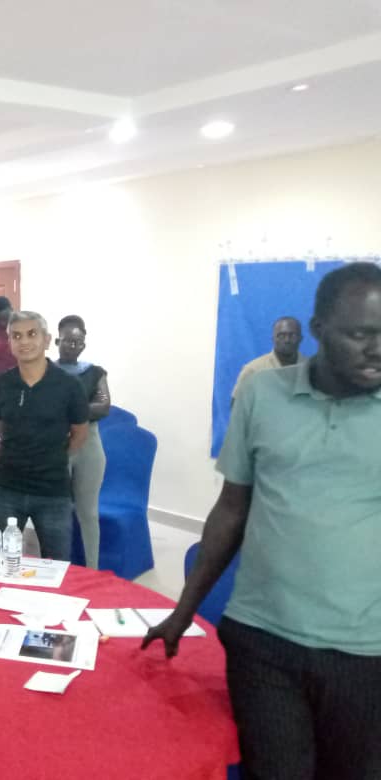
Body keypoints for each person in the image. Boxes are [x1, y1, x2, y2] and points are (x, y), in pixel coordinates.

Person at [143, 262, 381, 780]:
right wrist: (184, 609)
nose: (377, 349)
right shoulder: (262, 393)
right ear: (318, 330)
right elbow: (231, 509)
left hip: (365, 651)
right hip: (262, 639)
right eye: (361, 334)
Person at [0, 311, 89, 560]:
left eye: (32, 334)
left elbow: (79, 434)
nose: (24, 341)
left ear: (46, 340)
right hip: (6, 488)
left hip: (52, 490)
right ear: (10, 343)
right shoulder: (1, 384)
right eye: (16, 336)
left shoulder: (70, 386)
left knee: (58, 566)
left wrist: (51, 456)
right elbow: (1, 428)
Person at [55, 314, 111, 569]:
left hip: (89, 445)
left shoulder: (94, 372)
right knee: (58, 511)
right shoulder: (46, 371)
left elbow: (103, 406)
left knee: (88, 512)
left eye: (78, 342)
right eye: (67, 341)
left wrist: (70, 410)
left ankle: (92, 569)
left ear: (84, 345)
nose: (72, 346)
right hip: (56, 446)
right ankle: (58, 569)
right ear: (57, 341)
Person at [231, 316, 306, 403]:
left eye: (292, 335)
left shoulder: (312, 369)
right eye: (281, 336)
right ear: (273, 339)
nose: (287, 340)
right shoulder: (253, 370)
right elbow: (237, 405)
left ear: (300, 339)